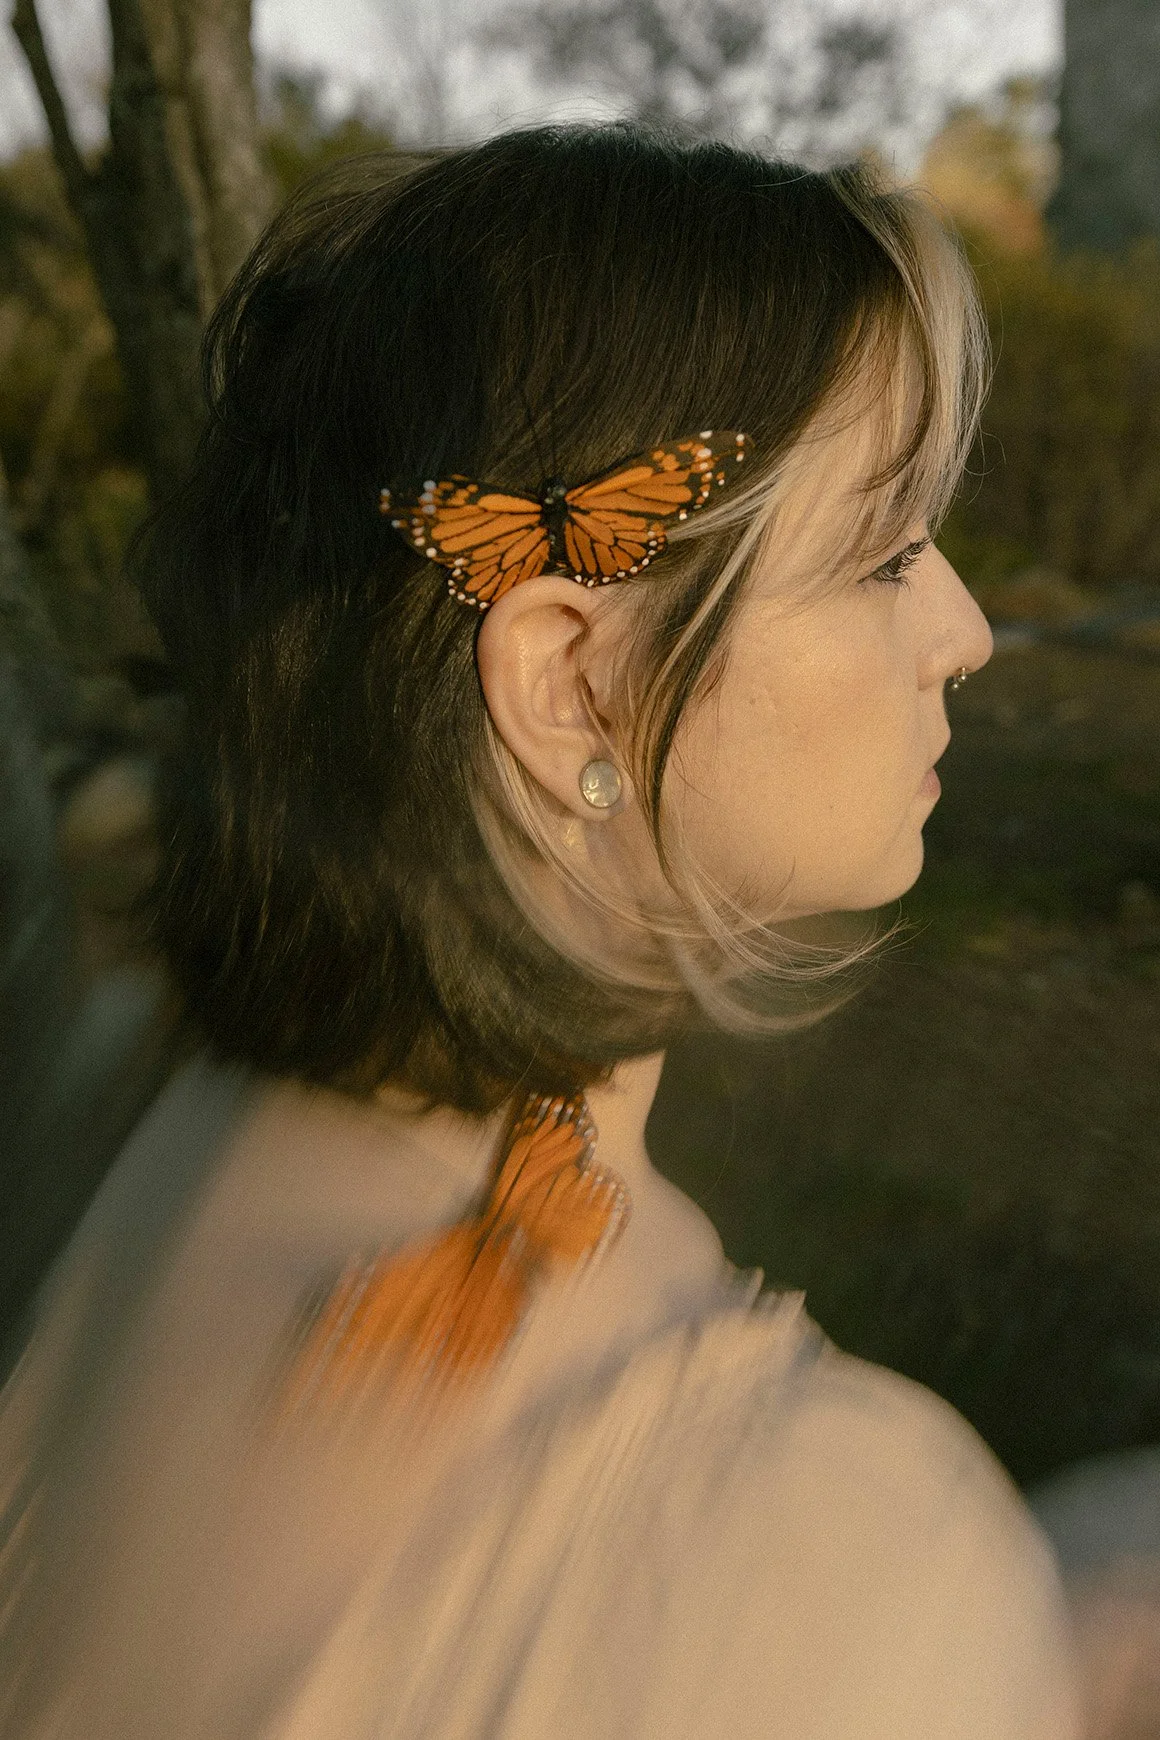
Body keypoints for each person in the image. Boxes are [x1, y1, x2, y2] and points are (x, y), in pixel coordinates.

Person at [0, 124, 1079, 1738]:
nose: (968, 633)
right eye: (884, 555)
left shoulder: (159, 1130)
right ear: (570, 679)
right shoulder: (837, 1557)